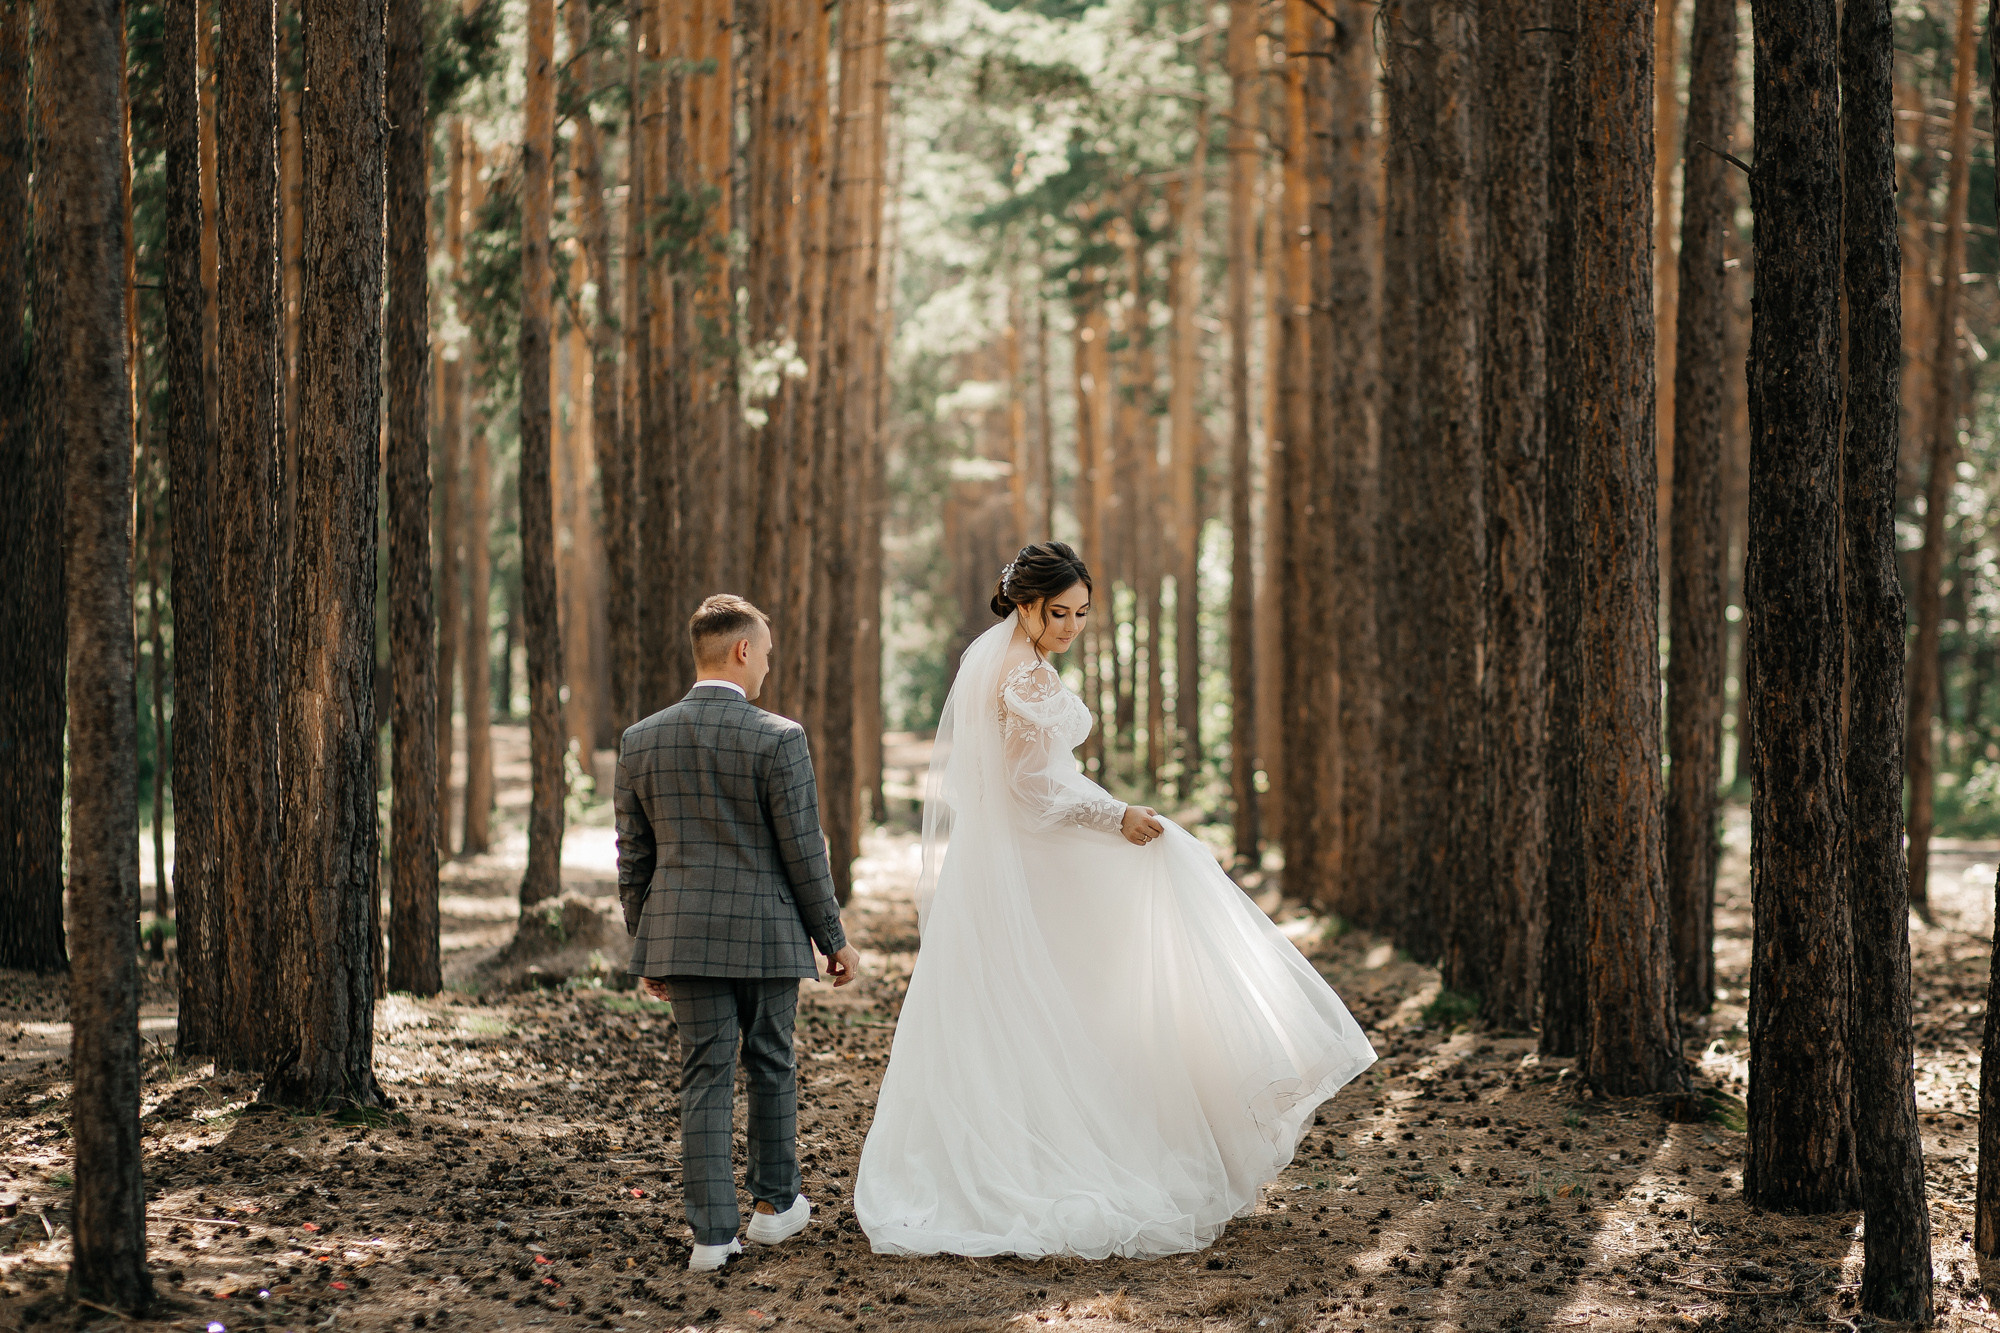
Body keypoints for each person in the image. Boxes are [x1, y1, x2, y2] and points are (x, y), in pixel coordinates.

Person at [854, 542, 1377, 1259]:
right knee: (1159, 878)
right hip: (1034, 845)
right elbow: (1030, 788)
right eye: (1059, 612)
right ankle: (1101, 1140)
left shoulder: (1016, 661)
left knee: (1052, 993)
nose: (1071, 626)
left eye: (1081, 613)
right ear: (1025, 604)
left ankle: (1095, 1126)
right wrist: (1111, 815)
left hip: (1015, 849)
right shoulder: (1019, 672)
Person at [616, 594, 863, 1272]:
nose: (768, 673)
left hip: (682, 937)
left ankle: (711, 1238)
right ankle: (775, 1206)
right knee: (771, 1062)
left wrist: (648, 943)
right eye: (767, 657)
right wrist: (833, 936)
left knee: (705, 1074)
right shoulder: (779, 737)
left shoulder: (641, 739)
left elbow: (632, 857)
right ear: (742, 651)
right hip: (767, 933)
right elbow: (803, 852)